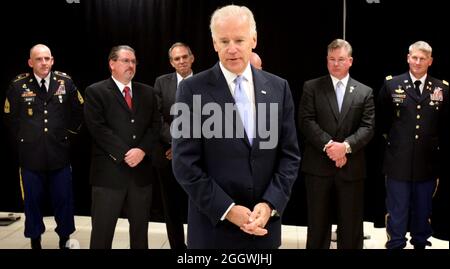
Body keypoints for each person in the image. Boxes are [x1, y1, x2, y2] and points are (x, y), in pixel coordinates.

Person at [172, 5, 300, 249]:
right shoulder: (190, 90)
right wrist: (228, 209)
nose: (232, 48)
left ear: (253, 39)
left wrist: (270, 204)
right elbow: (183, 164)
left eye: (239, 39)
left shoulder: (278, 88)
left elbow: (289, 155)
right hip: (213, 231)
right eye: (224, 40)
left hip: (264, 229)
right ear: (214, 43)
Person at [3, 44, 83, 249]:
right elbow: (10, 119)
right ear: (31, 62)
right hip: (30, 156)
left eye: (47, 58)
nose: (44, 62)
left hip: (59, 154)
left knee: (64, 200)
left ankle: (65, 239)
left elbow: (78, 112)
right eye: (39, 59)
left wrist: (67, 137)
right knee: (32, 202)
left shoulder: (65, 81)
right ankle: (35, 240)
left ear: (52, 60)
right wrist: (25, 139)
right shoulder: (18, 85)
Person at [298, 39, 375, 249]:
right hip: (318, 167)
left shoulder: (364, 91)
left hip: (351, 169)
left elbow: (368, 127)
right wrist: (331, 146)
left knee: (351, 228)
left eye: (341, 59)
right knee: (317, 225)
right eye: (332, 59)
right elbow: (305, 121)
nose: (336, 64)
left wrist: (345, 147)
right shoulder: (312, 87)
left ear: (350, 61)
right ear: (326, 60)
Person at [84, 45, 161, 249]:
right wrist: (125, 153)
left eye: (133, 61)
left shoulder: (148, 92)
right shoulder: (96, 91)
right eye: (126, 61)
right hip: (109, 175)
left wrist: (142, 150)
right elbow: (97, 128)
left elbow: (155, 125)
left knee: (140, 234)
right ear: (112, 64)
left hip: (140, 175)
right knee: (102, 233)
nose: (131, 65)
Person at [378, 41, 448, 249]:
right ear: (408, 58)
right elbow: (381, 121)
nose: (418, 62)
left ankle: (420, 243)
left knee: (422, 211)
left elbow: (444, 125)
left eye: (422, 58)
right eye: (414, 57)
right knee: (397, 212)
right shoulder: (392, 84)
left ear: (430, 61)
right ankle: (396, 244)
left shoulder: (441, 88)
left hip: (427, 163)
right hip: (397, 162)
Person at [152, 42, 193, 249]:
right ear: (171, 62)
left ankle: (197, 245)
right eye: (177, 58)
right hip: (167, 155)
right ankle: (178, 248)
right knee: (171, 206)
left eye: (185, 57)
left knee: (197, 205)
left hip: (196, 156)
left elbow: (208, 119)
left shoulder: (206, 82)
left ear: (192, 58)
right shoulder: (161, 82)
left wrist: (182, 148)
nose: (181, 61)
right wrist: (175, 143)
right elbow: (157, 118)